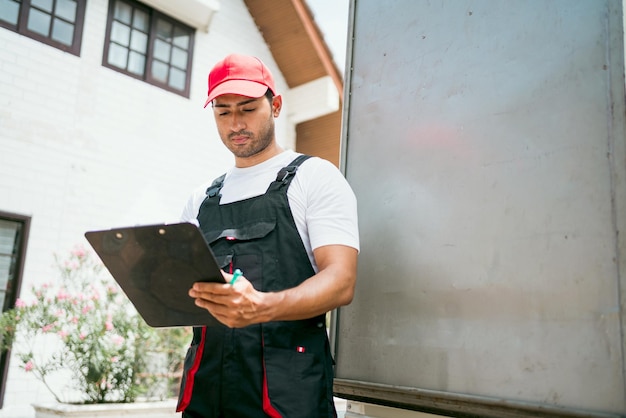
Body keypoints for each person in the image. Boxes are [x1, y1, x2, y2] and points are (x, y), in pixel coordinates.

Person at [175, 53, 359, 417]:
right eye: (223, 111)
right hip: (207, 396)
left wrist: (261, 307)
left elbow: (341, 282)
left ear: (275, 106)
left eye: (247, 108)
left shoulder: (314, 178)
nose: (235, 123)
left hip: (286, 399)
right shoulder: (200, 200)